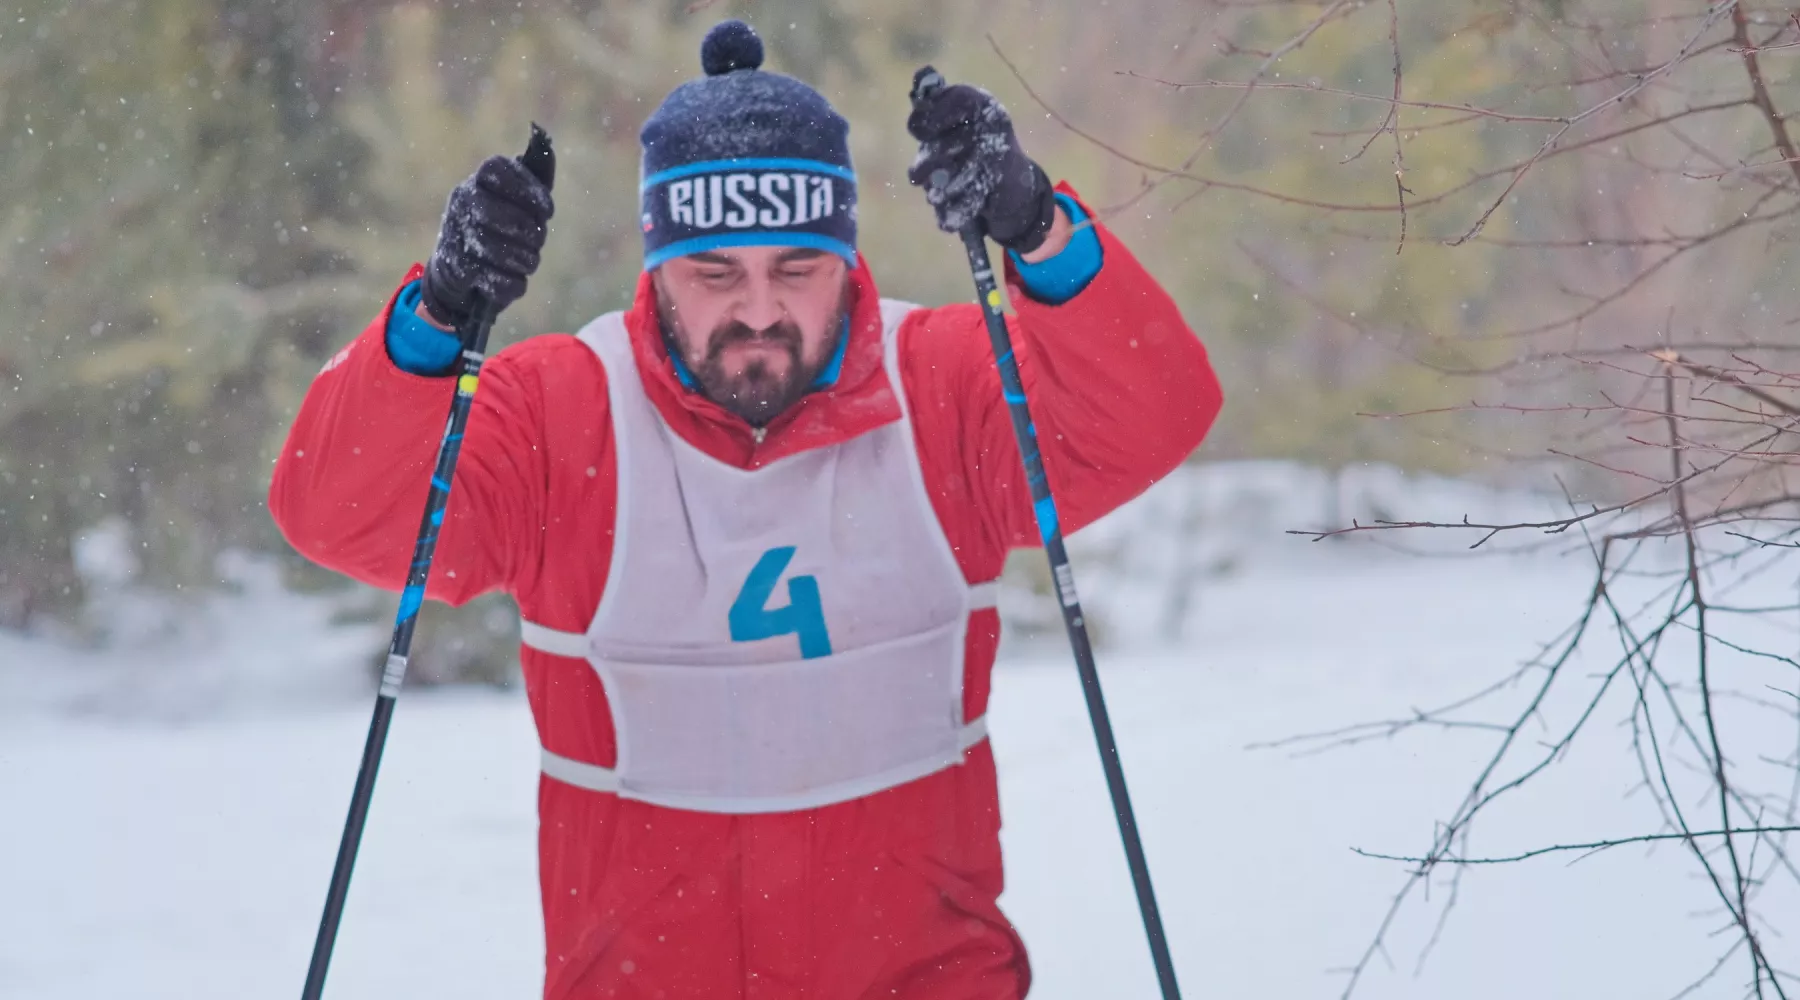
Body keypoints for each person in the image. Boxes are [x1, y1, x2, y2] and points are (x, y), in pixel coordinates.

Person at [270, 18, 1221, 1000]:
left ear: (847, 261)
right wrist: (435, 315)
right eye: (714, 271)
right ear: (657, 267)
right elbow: (340, 511)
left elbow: (1153, 415)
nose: (759, 309)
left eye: (797, 268)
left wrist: (1042, 234)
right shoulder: (562, 410)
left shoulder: (944, 386)